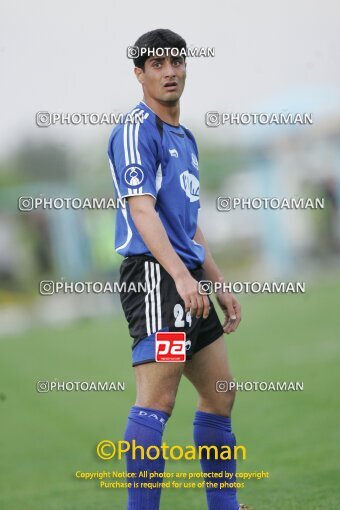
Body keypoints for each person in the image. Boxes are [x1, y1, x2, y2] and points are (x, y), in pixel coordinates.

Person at [108, 28, 247, 510]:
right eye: (158, 64)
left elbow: (189, 223)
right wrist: (182, 278)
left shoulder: (185, 138)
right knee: (157, 403)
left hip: (186, 282)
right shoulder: (134, 130)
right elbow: (143, 212)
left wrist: (217, 284)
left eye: (176, 62)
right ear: (139, 73)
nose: (170, 72)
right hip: (155, 279)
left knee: (220, 395)